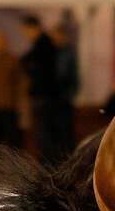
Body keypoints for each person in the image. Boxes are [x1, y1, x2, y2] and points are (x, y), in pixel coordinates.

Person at [20, 15, 62, 163]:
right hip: (45, 96)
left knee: (44, 135)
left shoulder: (43, 45)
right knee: (44, 135)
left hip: (43, 96)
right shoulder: (43, 45)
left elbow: (32, 65)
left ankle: (47, 166)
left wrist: (30, 69)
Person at [50, 26, 79, 156]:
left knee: (66, 137)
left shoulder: (67, 54)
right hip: (55, 101)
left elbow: (72, 77)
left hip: (63, 101)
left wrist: (68, 96)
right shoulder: (54, 53)